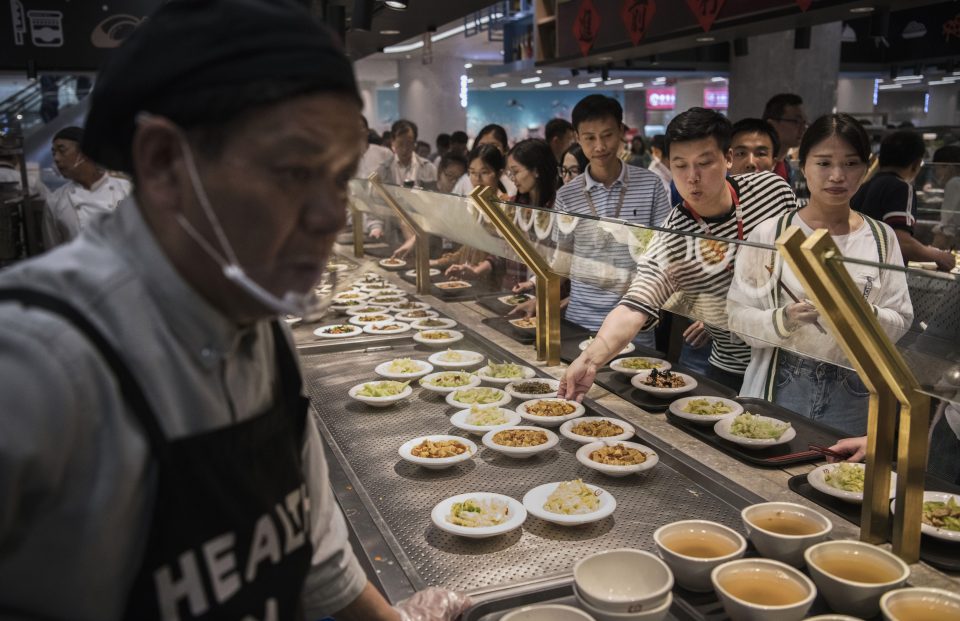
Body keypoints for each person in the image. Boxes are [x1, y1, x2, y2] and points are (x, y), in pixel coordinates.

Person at [0, 1, 469, 619]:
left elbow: (316, 559)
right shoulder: (33, 366)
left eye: (337, 178)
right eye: (295, 171)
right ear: (166, 162)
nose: (329, 216)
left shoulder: (266, 337)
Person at [560, 107, 797, 400]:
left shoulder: (772, 189)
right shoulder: (674, 234)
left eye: (704, 162)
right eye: (680, 165)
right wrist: (590, 359)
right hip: (729, 364)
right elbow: (635, 304)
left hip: (792, 360)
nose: (692, 177)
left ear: (727, 158)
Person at [728, 114, 913, 436]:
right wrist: (785, 317)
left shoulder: (882, 238)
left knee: (842, 480)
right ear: (803, 164)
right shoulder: (771, 233)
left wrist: (860, 310)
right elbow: (737, 317)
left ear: (866, 166)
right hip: (780, 380)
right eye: (824, 163)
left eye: (851, 163)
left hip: (855, 387)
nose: (837, 176)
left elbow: (901, 319)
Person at [544, 95, 671, 345]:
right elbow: (562, 260)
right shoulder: (567, 195)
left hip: (634, 321)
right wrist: (540, 300)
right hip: (581, 320)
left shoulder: (651, 184)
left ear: (621, 132)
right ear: (578, 139)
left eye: (607, 135)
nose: (600, 146)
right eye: (590, 138)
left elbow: (664, 252)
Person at [851, 131, 955, 272]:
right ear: (916, 164)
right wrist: (939, 256)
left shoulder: (865, 186)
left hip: (858, 269)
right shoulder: (902, 187)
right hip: (883, 276)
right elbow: (900, 242)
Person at [42, 126, 132, 249]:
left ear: (85, 152)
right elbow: (53, 252)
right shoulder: (55, 201)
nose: (56, 159)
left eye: (61, 151)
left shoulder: (127, 189)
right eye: (54, 153)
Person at [440, 144, 510, 285]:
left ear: (499, 173)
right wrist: (436, 262)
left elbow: (504, 255)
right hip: (468, 282)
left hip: (492, 288)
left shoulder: (506, 206)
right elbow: (469, 248)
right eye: (472, 172)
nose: (477, 179)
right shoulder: (475, 204)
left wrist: (476, 270)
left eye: (484, 172)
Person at [452, 124, 516, 197]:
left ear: (505, 149)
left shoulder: (512, 184)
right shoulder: (465, 181)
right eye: (482, 145)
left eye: (494, 145)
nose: (487, 149)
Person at [377, 119, 438, 189]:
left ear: (415, 143)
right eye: (400, 144)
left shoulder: (429, 169)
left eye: (409, 144)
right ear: (393, 142)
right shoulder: (383, 170)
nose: (404, 149)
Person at [762, 93, 807, 185]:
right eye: (796, 121)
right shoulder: (757, 166)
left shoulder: (786, 167)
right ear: (772, 124)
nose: (803, 128)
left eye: (804, 122)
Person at [930, 145, 960, 250]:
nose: (937, 173)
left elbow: (948, 224)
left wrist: (934, 251)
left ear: (949, 167)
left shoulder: (954, 183)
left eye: (937, 168)